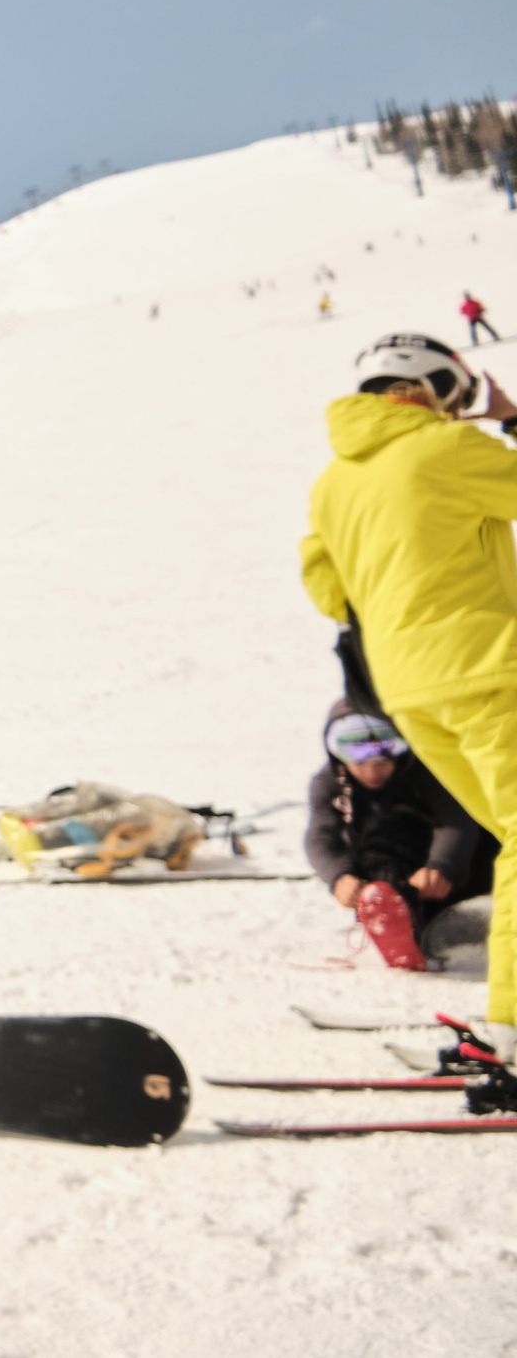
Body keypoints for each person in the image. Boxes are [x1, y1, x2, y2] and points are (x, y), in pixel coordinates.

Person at [302, 332, 517, 1046]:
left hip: (408, 692)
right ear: (438, 388)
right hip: (487, 664)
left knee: (507, 830)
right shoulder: (448, 449)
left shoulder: (334, 482)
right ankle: (511, 1028)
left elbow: (327, 587)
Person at [305, 704, 497, 970]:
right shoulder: (330, 783)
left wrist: (442, 866)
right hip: (393, 869)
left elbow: (457, 822)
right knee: (377, 844)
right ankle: (395, 916)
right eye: (358, 758)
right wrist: (339, 877)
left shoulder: (430, 767)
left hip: (455, 865)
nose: (373, 771)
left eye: (384, 756)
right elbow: (320, 837)